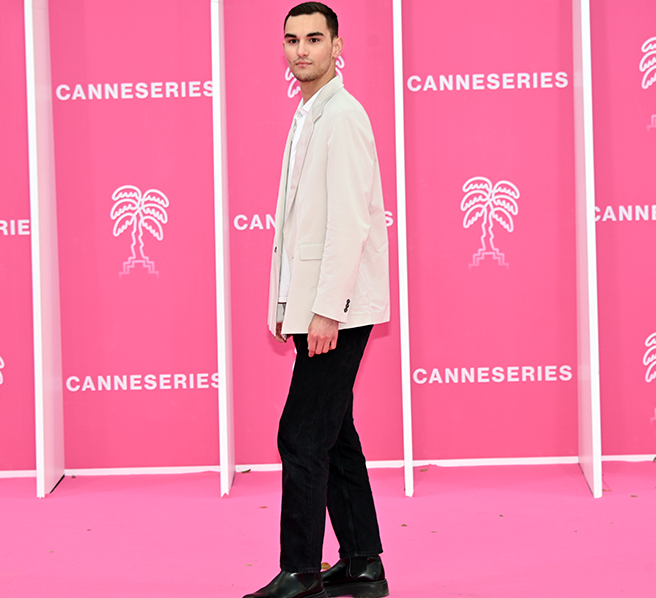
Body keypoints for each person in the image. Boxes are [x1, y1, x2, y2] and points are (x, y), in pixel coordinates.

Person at [243, 4, 390, 598]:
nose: (301, 50)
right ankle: (362, 564)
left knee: (301, 434)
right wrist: (286, 304)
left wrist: (326, 310)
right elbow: (300, 225)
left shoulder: (343, 117)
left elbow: (349, 223)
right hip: (316, 304)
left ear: (336, 46)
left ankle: (300, 571)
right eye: (292, 40)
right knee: (334, 432)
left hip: (339, 308)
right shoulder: (309, 113)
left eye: (313, 39)